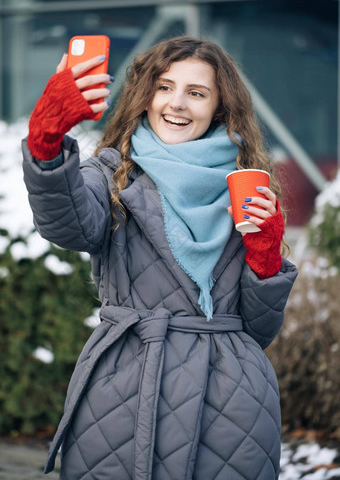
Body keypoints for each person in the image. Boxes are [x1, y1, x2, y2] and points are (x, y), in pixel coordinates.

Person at [22, 35, 298, 480]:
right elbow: (66, 225)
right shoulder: (111, 173)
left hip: (230, 410)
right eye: (164, 86)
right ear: (145, 94)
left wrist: (265, 256)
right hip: (124, 396)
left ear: (220, 107)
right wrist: (47, 141)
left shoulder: (248, 185)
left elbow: (259, 330)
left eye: (196, 92)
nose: (177, 104)